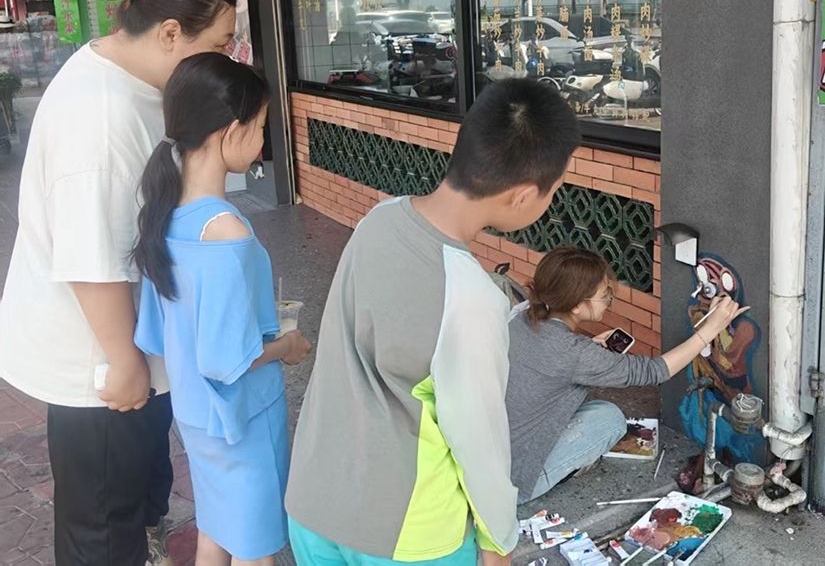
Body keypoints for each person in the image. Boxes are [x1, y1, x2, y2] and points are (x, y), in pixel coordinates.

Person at [0, 0, 236, 566]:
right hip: (98, 362)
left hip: (133, 339)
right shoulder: (97, 120)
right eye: (218, 45)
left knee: (134, 493)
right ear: (170, 33)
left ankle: (146, 544)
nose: (225, 60)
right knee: (102, 525)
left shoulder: (130, 76)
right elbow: (90, 258)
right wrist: (124, 362)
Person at [285, 80, 582, 566]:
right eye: (554, 189)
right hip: (407, 535)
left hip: (314, 503)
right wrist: (497, 540)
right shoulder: (472, 298)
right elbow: (478, 437)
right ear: (523, 196)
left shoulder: (378, 219)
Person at [133, 54, 311, 565]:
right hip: (241, 418)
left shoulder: (165, 217)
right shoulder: (228, 233)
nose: (262, 141)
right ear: (232, 131)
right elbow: (229, 357)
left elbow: (157, 333)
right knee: (255, 546)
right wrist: (287, 346)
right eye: (261, 127)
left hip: (193, 411)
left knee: (215, 525)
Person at [506, 247, 748, 503]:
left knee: (599, 409)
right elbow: (654, 371)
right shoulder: (575, 353)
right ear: (577, 305)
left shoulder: (521, 317)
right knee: (610, 420)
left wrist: (590, 352)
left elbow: (553, 357)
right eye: (604, 295)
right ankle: (554, 474)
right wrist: (710, 329)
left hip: (490, 453)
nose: (609, 300)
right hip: (512, 482)